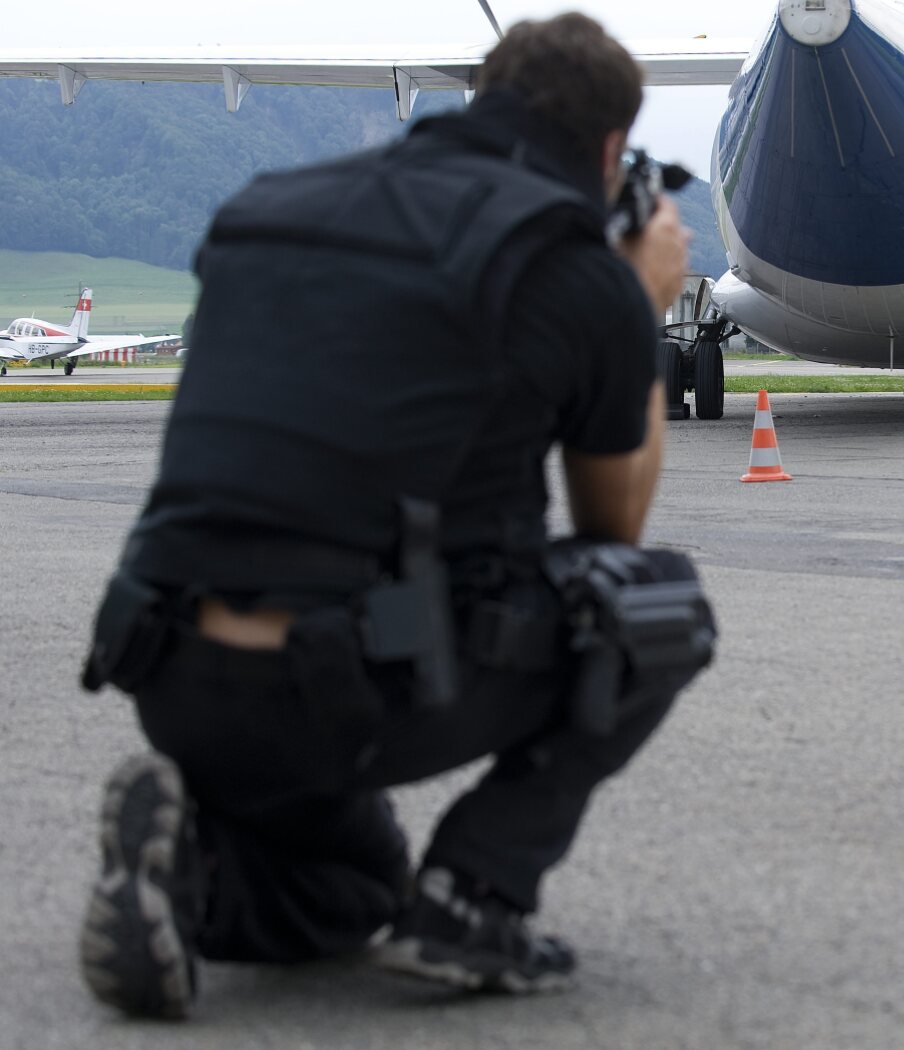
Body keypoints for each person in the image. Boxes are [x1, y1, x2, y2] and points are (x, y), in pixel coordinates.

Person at [77, 13, 714, 1020]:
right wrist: (634, 310)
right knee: (656, 606)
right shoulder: (564, 265)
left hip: (169, 668)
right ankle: (475, 898)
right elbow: (612, 531)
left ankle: (191, 866)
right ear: (607, 151)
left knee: (358, 892)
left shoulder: (277, 203)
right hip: (352, 682)